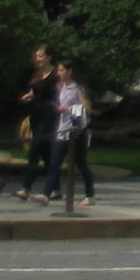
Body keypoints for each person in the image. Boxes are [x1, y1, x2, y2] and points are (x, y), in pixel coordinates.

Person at [49, 62, 96, 206]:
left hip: (77, 131)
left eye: (62, 70)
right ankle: (47, 193)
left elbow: (87, 109)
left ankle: (90, 195)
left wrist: (68, 109)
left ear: (70, 71)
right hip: (62, 129)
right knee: (54, 162)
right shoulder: (61, 87)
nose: (59, 73)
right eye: (58, 70)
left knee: (80, 163)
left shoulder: (77, 88)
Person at [16, 47, 59, 201]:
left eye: (41, 56)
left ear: (49, 57)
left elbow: (59, 93)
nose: (38, 59)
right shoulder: (37, 74)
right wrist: (28, 96)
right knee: (46, 152)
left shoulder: (55, 75)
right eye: (37, 56)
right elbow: (35, 91)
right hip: (36, 115)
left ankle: (26, 188)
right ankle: (55, 188)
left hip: (49, 116)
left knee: (35, 149)